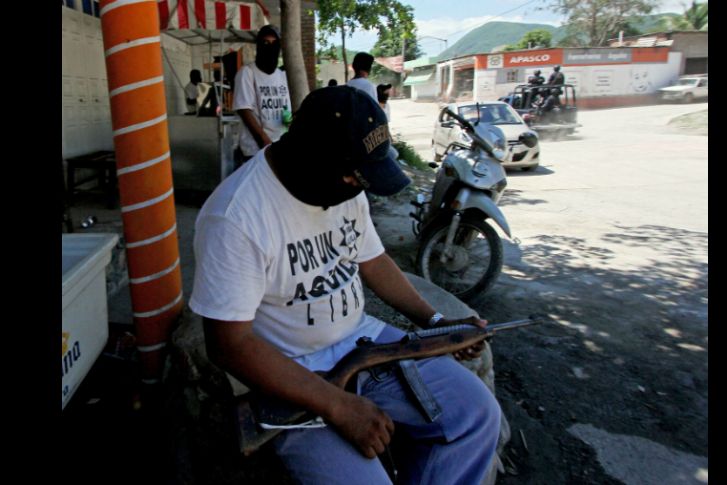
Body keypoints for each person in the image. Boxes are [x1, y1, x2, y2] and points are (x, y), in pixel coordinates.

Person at [190, 86, 501, 484]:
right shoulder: (235, 217)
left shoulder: (345, 184)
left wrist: (435, 321)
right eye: (356, 176)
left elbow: (373, 261)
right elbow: (228, 346)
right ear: (312, 161)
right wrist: (337, 405)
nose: (361, 188)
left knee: (476, 417)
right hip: (295, 374)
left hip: (367, 345)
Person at [233, 24, 291, 165]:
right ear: (258, 46)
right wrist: (266, 144)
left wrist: (289, 130)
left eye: (274, 43)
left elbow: (285, 110)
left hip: (279, 147)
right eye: (265, 42)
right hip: (255, 151)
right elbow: (244, 110)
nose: (270, 47)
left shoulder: (283, 76)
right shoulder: (247, 73)